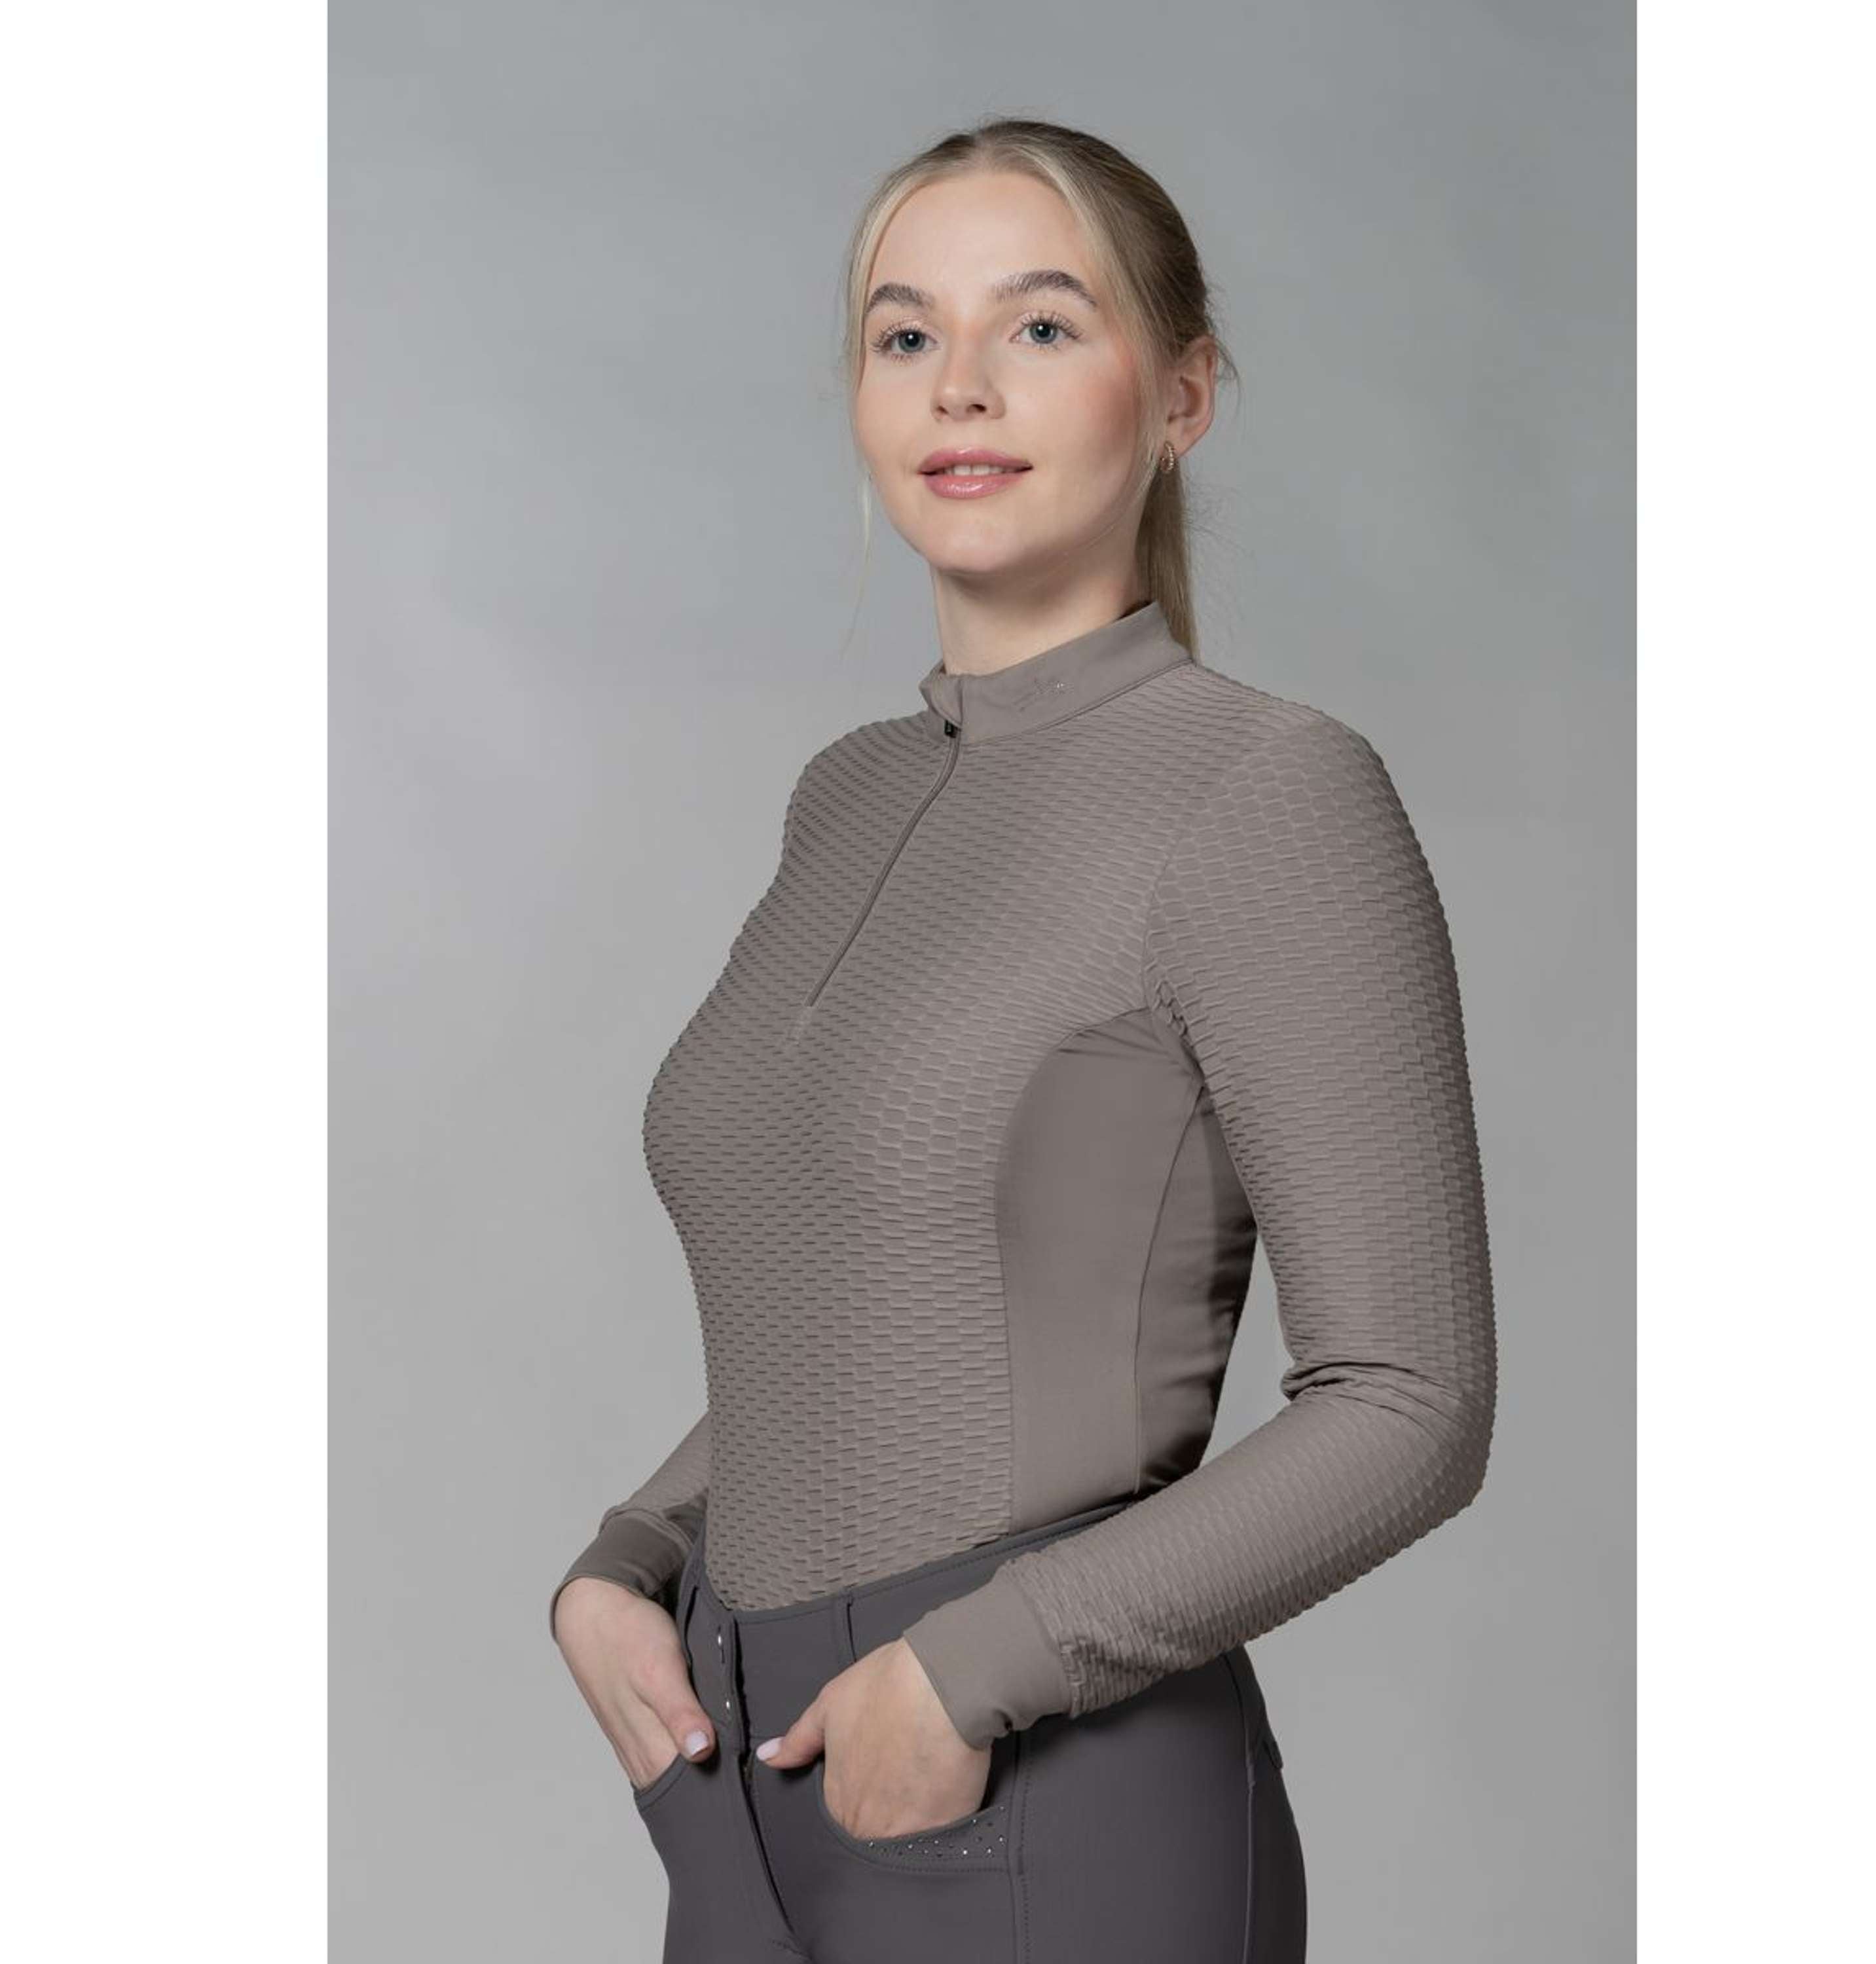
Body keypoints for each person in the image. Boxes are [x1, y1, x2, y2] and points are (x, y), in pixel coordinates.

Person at [550, 115, 1497, 1964]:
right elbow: (876, 1319)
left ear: (1185, 394)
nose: (961, 384)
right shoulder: (847, 797)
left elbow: (1412, 1401)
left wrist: (979, 1670)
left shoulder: (1267, 792)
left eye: (1043, 326)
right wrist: (633, 1556)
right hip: (741, 1788)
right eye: (905, 334)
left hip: (1036, 1783)